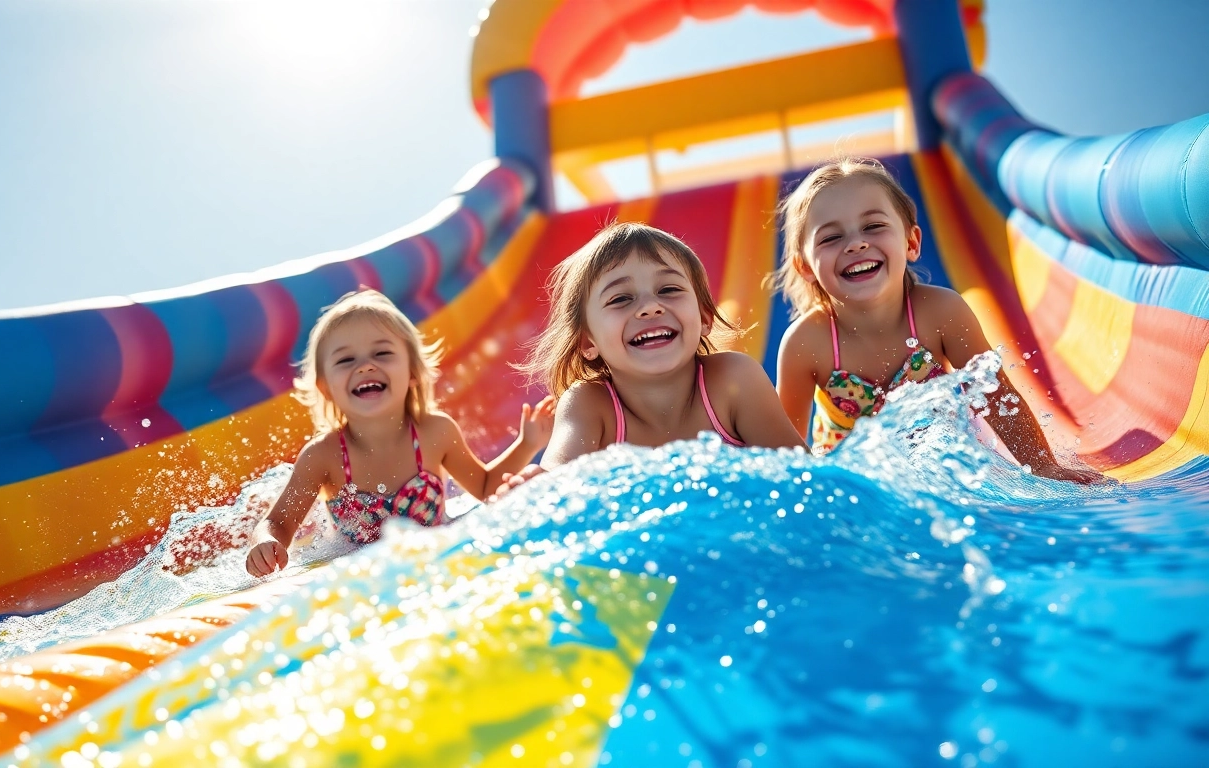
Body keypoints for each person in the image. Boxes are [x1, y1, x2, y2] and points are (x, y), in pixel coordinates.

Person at [770, 156, 1102, 483]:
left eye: (873, 226)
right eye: (830, 238)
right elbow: (783, 448)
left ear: (911, 243)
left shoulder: (940, 313)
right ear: (806, 267)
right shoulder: (806, 343)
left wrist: (1044, 467)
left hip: (938, 467)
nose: (856, 243)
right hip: (854, 482)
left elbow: (996, 393)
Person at [246, 290, 555, 576]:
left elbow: (487, 489)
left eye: (382, 354)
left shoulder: (435, 432)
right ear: (326, 388)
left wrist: (527, 444)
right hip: (358, 576)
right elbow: (278, 523)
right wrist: (265, 542)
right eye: (345, 359)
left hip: (434, 563)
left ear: (411, 373)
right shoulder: (322, 456)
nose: (365, 366)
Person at [494, 222, 807, 495]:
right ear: (587, 342)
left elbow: (805, 476)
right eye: (621, 299)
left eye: (668, 289)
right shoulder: (591, 404)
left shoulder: (732, 379)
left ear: (704, 317)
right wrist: (534, 487)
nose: (649, 307)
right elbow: (558, 479)